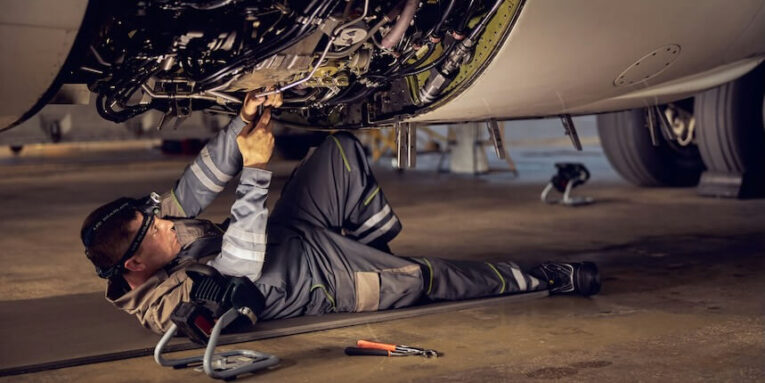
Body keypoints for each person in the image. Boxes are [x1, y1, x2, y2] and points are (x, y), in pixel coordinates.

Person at [81, 92, 601, 334]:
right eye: (154, 228)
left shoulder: (150, 238)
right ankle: (543, 280)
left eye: (158, 217)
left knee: (342, 152)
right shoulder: (174, 302)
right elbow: (240, 266)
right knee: (433, 277)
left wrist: (239, 129)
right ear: (134, 264)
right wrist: (258, 171)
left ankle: (373, 250)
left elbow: (197, 183)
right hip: (323, 280)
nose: (168, 222)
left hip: (294, 234)